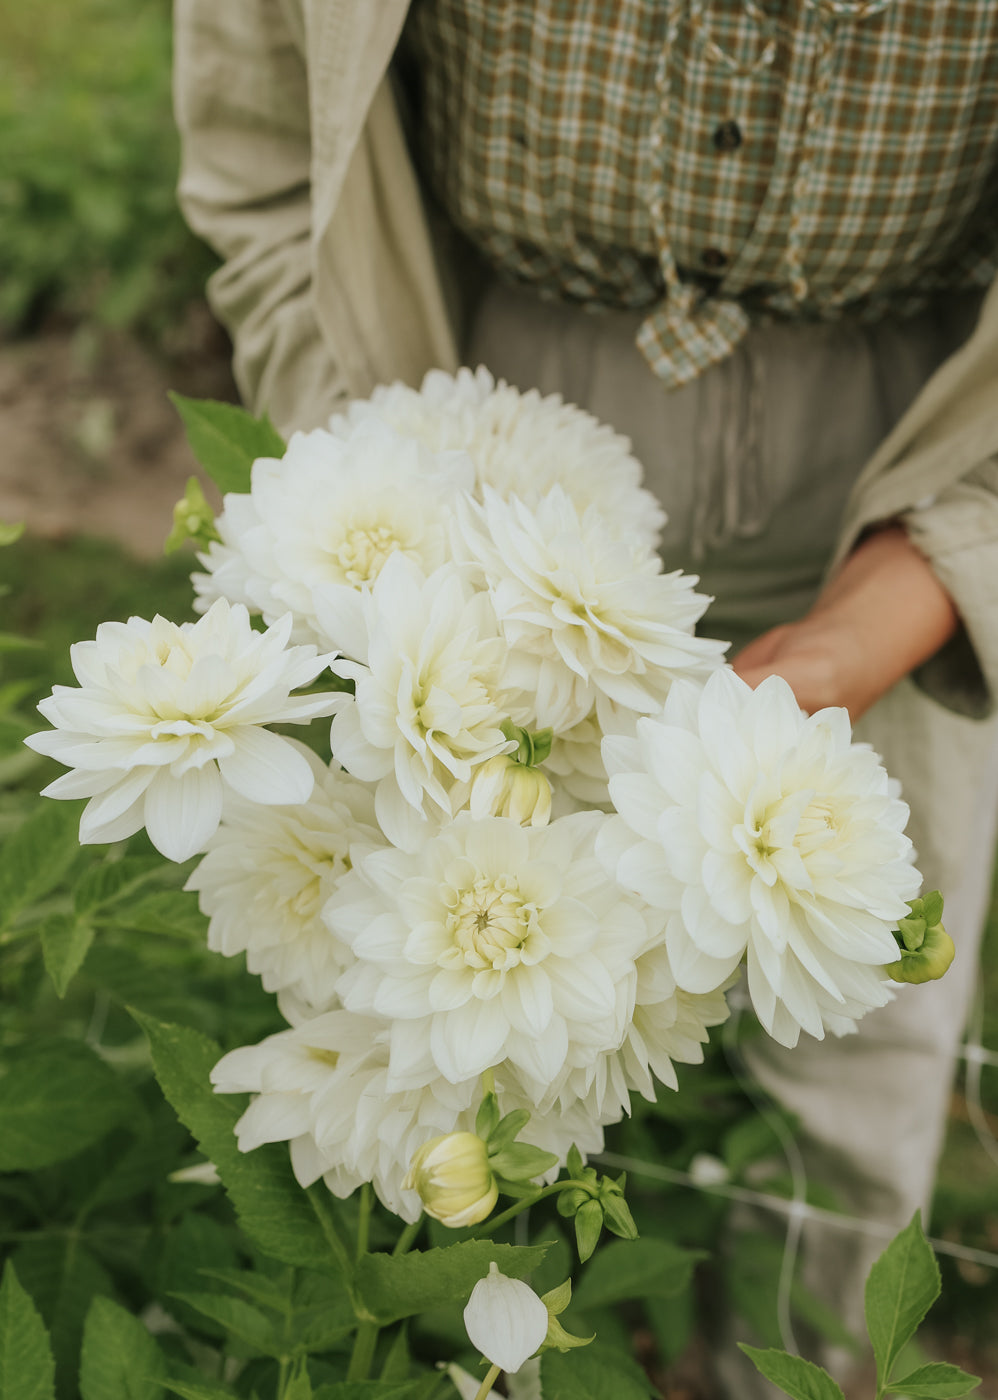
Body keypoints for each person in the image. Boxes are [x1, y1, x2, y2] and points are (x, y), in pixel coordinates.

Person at [172, 2, 998, 1393]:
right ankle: (472, 1348)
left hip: (918, 442)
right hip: (473, 396)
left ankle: (815, 1358)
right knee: (414, 1019)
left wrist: (899, 605)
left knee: (862, 1041)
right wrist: (369, 479)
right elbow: (266, 162)